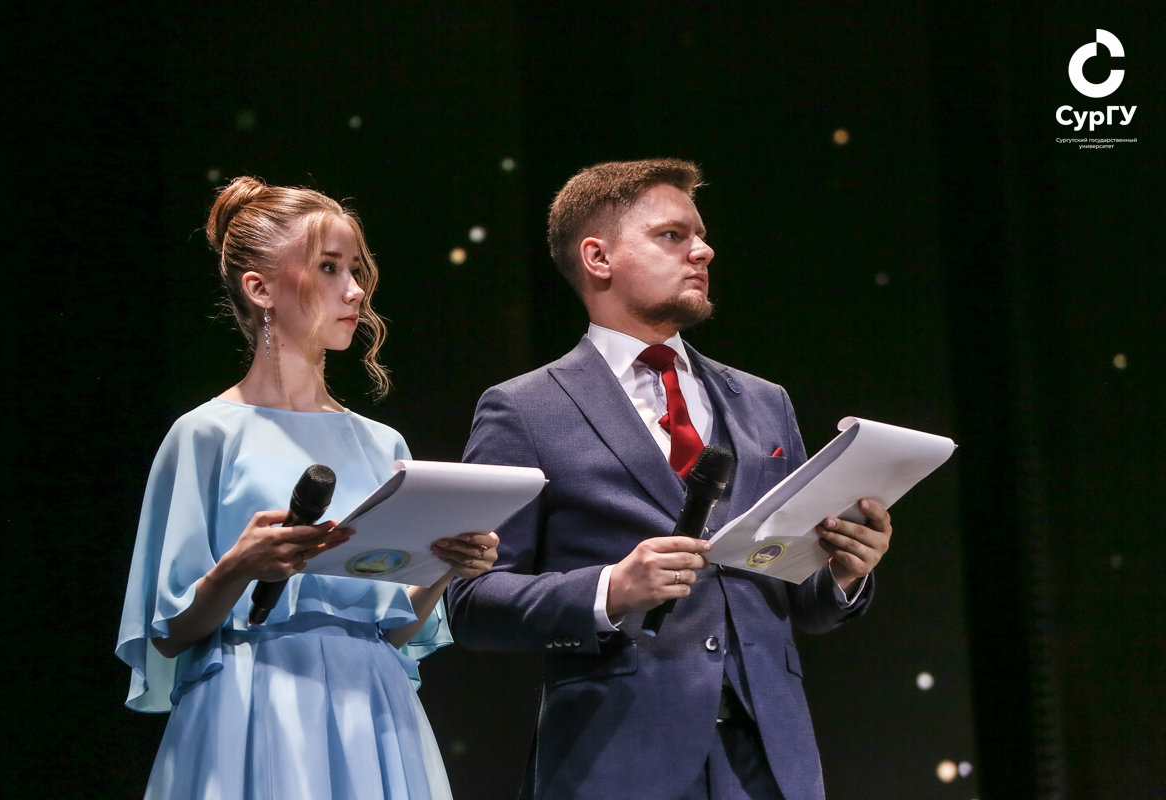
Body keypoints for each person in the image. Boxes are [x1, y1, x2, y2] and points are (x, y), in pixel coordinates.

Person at [446, 159, 893, 800]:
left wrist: (844, 573)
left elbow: (803, 604)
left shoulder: (764, 402)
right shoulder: (525, 409)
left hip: (770, 764)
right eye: (672, 236)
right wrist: (611, 589)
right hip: (616, 760)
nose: (702, 251)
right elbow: (472, 604)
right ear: (598, 257)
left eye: (700, 236)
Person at [116, 177, 498, 800]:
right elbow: (166, 634)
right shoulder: (206, 434)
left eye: (355, 269)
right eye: (328, 267)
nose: (354, 290)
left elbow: (393, 630)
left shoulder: (382, 444)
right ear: (260, 288)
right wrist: (238, 566)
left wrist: (445, 566)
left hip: (373, 708)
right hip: (254, 701)